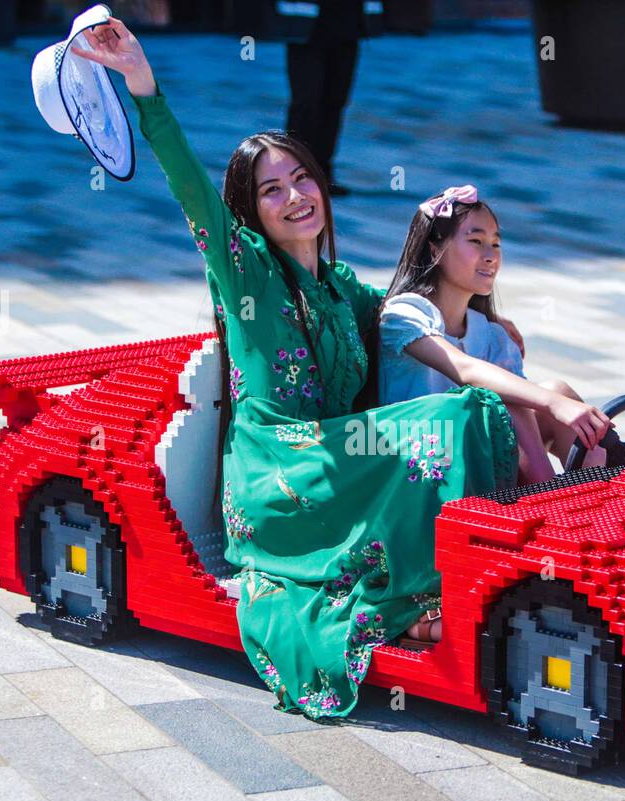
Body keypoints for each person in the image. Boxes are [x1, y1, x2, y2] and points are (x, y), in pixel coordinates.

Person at [72, 17, 519, 719]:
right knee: (450, 416)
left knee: (470, 409)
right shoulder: (245, 270)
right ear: (249, 213)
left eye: (300, 177)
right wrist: (142, 87)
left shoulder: (345, 290)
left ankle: (457, 579)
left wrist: (491, 318)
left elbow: (417, 307)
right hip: (277, 481)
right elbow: (191, 188)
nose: (294, 196)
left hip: (335, 464)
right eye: (271, 190)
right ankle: (431, 597)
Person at [366, 185, 613, 485]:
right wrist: (551, 403)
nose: (490, 256)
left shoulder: (491, 334)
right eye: (476, 241)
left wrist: (556, 400)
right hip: (415, 462)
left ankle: (600, 487)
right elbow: (465, 369)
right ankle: (551, 500)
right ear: (435, 249)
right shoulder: (405, 313)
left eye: (495, 244)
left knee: (555, 390)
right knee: (511, 403)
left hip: (473, 456)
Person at [282, 0, 384, 196]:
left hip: (349, 26)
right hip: (307, 27)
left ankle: (322, 173)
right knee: (306, 102)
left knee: (335, 102)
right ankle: (293, 173)